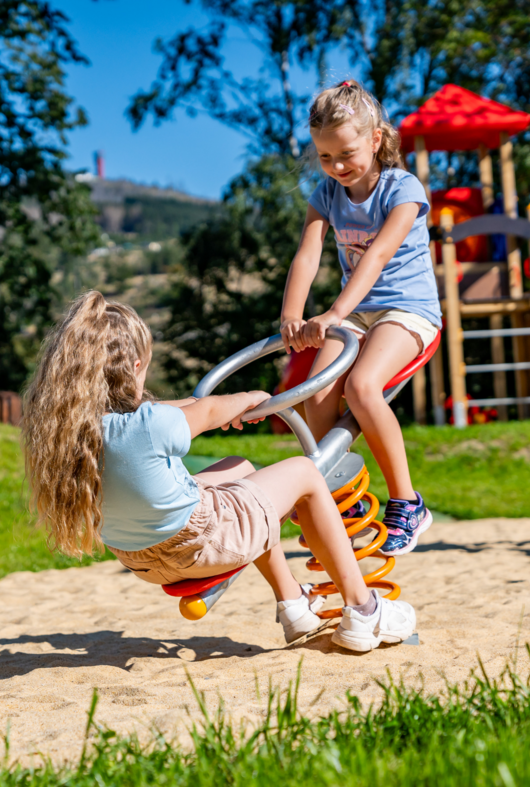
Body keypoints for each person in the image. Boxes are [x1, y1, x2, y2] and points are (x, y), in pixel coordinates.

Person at [22, 291, 415, 653]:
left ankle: (294, 603)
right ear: (136, 366)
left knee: (239, 469)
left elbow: (182, 409)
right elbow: (206, 412)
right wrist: (252, 399)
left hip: (140, 559)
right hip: (200, 546)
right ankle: (363, 610)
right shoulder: (151, 424)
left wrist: (207, 405)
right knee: (303, 473)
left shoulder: (73, 430)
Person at [280, 79, 442, 556]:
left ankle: (408, 502)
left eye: (346, 153)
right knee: (317, 394)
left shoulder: (403, 188)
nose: (337, 167)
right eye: (325, 158)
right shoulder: (327, 194)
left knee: (362, 388)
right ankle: (345, 500)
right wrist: (292, 314)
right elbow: (307, 256)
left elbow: (376, 257)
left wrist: (332, 312)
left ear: (375, 139)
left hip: (406, 310)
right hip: (358, 313)